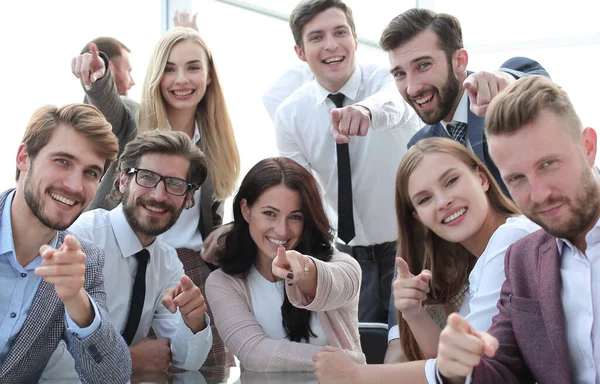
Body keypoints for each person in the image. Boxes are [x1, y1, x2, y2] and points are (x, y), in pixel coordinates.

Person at [377, 8, 550, 362]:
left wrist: (506, 81)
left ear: (460, 61)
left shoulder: (502, 104)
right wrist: (401, 328)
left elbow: (539, 84)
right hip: (485, 298)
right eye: (400, 73)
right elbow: (415, 253)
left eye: (424, 65)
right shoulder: (420, 145)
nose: (412, 87)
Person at [71, 26, 240, 368]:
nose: (181, 79)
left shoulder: (216, 140)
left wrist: (223, 234)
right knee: (119, 360)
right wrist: (97, 76)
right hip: (127, 252)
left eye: (193, 67)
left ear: (209, 78)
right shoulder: (133, 118)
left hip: (188, 268)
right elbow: (106, 102)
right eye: (169, 67)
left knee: (201, 364)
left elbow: (211, 214)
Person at [312, 138, 539, 383]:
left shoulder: (510, 239)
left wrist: (356, 375)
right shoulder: (484, 258)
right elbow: (451, 364)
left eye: (451, 181)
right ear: (418, 217)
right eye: (424, 199)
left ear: (482, 178)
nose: (443, 202)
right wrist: (413, 312)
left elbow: (468, 366)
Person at [435, 76, 600, 383]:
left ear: (588, 147)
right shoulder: (523, 260)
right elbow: (502, 368)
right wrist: (459, 368)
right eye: (516, 179)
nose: (539, 195)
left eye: (548, 164)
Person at [275, 0, 421, 324]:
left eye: (340, 32)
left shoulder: (386, 80)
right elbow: (297, 193)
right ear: (300, 51)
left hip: (412, 245)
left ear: (355, 39)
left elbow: (394, 102)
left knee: (410, 349)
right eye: (316, 37)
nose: (331, 45)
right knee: (362, 351)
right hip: (346, 256)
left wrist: (367, 112)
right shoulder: (290, 115)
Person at [41, 131, 213, 379]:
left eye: (174, 184)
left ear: (188, 198)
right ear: (123, 181)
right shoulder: (78, 238)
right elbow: (37, 348)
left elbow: (189, 361)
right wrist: (127, 358)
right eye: (147, 178)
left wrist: (194, 321)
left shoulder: (167, 261)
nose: (158, 195)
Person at [0, 104, 130, 382]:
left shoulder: (85, 262)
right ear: (24, 157)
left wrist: (77, 300)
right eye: (62, 161)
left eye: (91, 173)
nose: (74, 185)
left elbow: (113, 377)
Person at [205, 157, 365, 372]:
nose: (282, 230)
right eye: (269, 213)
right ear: (246, 209)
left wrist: (306, 270)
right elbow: (254, 353)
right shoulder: (222, 282)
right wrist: (346, 361)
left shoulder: (343, 265)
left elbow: (335, 285)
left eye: (295, 217)